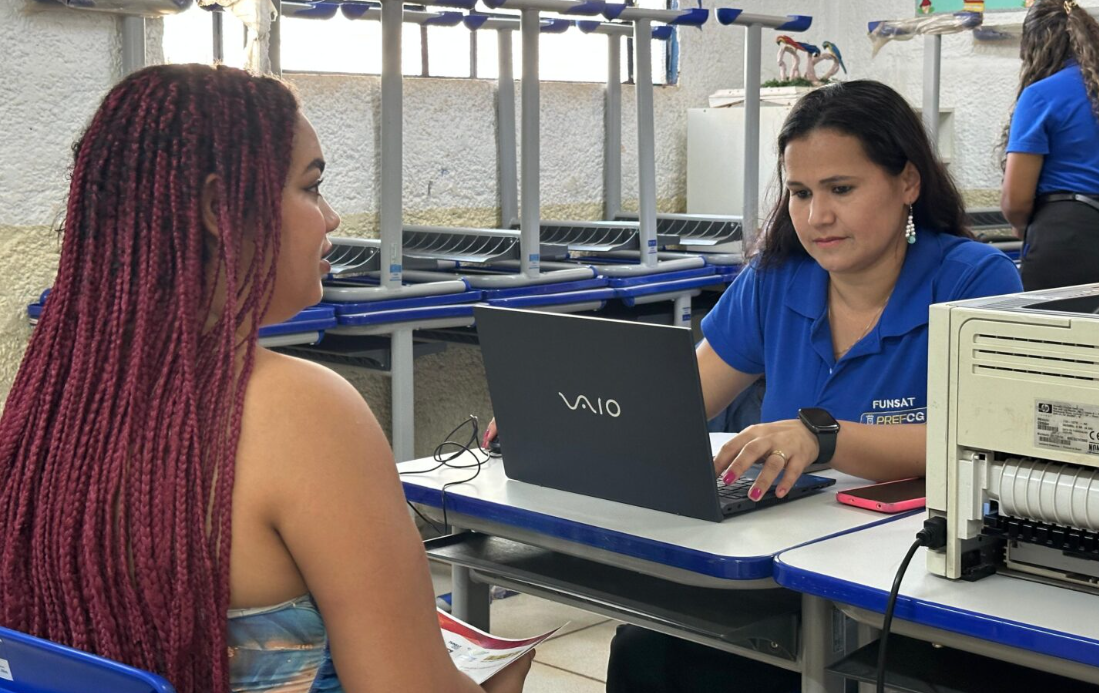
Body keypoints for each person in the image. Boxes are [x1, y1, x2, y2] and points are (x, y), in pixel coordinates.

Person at [0, 64, 531, 693]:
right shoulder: (303, 410)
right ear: (219, 209)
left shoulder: (51, 412)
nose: (331, 218)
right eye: (312, 187)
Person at [483, 79, 1022, 691]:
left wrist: (821, 438)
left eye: (841, 189)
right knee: (648, 651)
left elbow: (982, 443)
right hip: (786, 567)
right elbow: (675, 401)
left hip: (911, 578)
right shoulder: (777, 279)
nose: (817, 216)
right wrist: (558, 415)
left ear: (908, 183)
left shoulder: (975, 282)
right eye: (800, 193)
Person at [1001, 0, 1099, 291]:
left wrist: (1022, 223)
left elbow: (1016, 201)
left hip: (1068, 237)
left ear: (1035, 45)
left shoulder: (1041, 96)